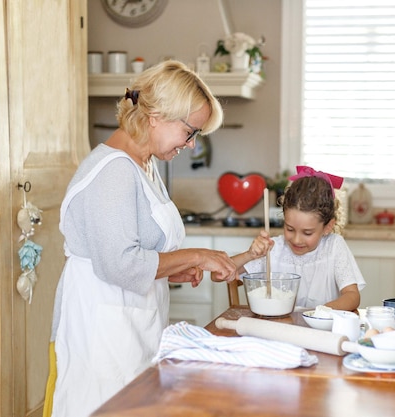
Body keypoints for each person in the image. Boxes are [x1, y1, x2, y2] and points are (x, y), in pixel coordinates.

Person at [47, 60, 238, 417]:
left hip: (129, 323)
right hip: (100, 330)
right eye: (190, 131)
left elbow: (138, 249)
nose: (192, 145)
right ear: (156, 116)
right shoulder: (114, 171)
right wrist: (195, 256)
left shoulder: (143, 164)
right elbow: (120, 264)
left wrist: (172, 269)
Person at [214, 166, 366, 311]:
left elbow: (352, 296)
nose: (297, 240)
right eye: (290, 229)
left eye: (307, 233)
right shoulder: (273, 248)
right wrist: (250, 255)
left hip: (321, 334)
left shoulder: (334, 246)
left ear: (327, 227)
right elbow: (217, 275)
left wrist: (320, 312)